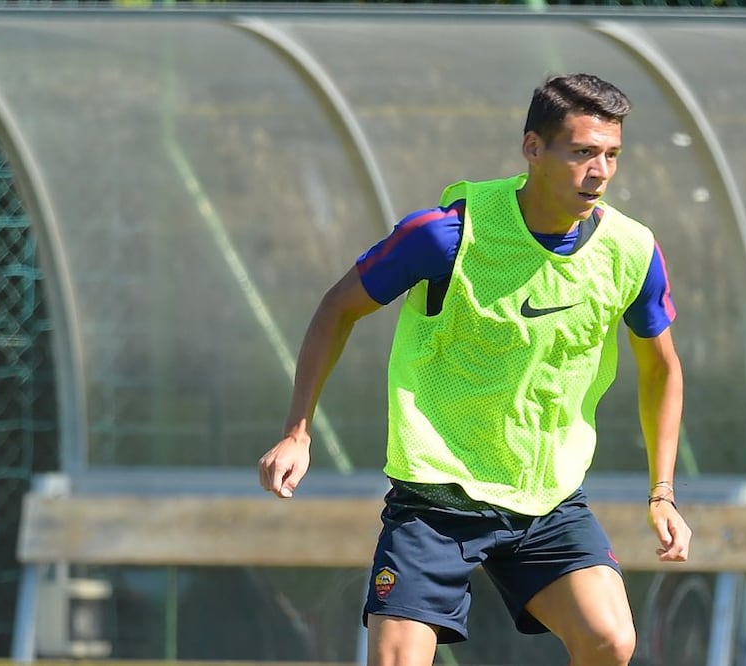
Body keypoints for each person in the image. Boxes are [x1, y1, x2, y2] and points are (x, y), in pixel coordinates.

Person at [258, 73, 692, 666]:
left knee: (610, 640)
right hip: (437, 498)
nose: (600, 172)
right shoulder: (445, 235)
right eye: (582, 152)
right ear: (533, 148)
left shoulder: (632, 251)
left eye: (612, 154)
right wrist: (297, 431)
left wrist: (662, 493)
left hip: (547, 498)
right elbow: (337, 309)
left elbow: (662, 369)